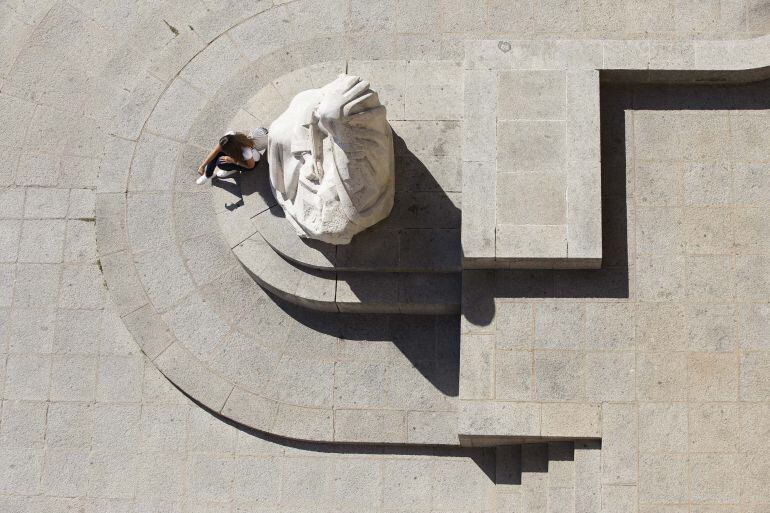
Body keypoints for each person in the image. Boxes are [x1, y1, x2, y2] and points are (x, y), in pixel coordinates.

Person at [196, 127, 268, 185]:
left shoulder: (246, 151)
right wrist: (202, 166)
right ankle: (208, 175)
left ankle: (231, 169)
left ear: (231, 149)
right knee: (217, 154)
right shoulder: (230, 137)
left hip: (250, 163)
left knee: (220, 163)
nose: (222, 150)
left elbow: (251, 166)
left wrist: (234, 161)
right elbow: (215, 151)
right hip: (240, 155)